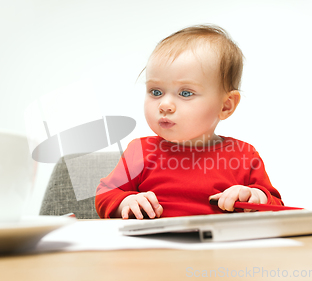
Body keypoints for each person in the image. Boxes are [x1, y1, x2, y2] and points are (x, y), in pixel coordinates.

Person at [95, 24, 283, 219]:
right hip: (156, 247)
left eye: (185, 93)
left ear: (225, 106)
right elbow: (105, 194)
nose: (165, 105)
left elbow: (275, 204)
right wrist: (125, 202)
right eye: (156, 92)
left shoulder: (244, 155)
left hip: (221, 247)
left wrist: (255, 197)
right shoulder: (139, 152)